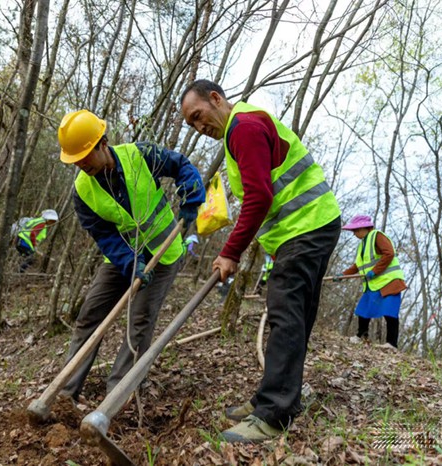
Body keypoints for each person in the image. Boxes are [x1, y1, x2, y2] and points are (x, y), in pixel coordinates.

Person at [181, 80, 341, 443]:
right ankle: (279, 398)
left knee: (285, 318)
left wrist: (230, 251)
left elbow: (259, 196)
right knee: (295, 317)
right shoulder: (241, 129)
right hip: (312, 225)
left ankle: (272, 414)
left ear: (216, 99)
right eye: (191, 124)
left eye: (198, 116)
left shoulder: (244, 128)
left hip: (305, 227)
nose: (198, 126)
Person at [56, 109, 205, 401]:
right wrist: (129, 262)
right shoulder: (82, 191)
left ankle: (118, 395)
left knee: (139, 320)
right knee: (90, 316)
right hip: (122, 257)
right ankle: (65, 393)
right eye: (75, 160)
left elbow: (181, 165)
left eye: (85, 156)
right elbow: (104, 235)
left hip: (165, 254)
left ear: (103, 143)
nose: (81, 165)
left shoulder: (140, 155)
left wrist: (191, 193)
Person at [335, 215, 406, 349]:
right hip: (373, 284)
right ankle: (361, 335)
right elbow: (357, 266)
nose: (354, 234)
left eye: (355, 230)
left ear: (364, 228)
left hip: (389, 281)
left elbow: (389, 253)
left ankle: (391, 343)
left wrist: (375, 270)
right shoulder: (362, 245)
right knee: (364, 309)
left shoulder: (377, 236)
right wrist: (342, 275)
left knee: (389, 311)